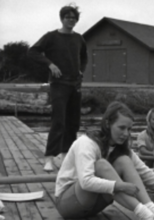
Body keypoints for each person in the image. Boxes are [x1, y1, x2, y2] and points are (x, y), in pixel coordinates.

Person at [55, 101, 154, 220]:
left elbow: (147, 175)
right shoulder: (86, 143)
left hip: (93, 207)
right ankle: (145, 215)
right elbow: (85, 182)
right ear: (107, 124)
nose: (126, 134)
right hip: (68, 204)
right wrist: (120, 185)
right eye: (122, 128)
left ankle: (153, 212)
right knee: (101, 164)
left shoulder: (122, 149)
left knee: (124, 160)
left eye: (129, 129)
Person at [28, 4, 88, 171]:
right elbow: (32, 51)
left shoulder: (79, 38)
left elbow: (84, 57)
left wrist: (81, 71)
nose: (71, 20)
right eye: (68, 17)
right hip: (58, 85)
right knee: (58, 121)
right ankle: (49, 157)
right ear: (62, 18)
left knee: (73, 122)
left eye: (74, 18)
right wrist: (50, 64)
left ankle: (65, 155)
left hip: (75, 84)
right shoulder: (51, 37)